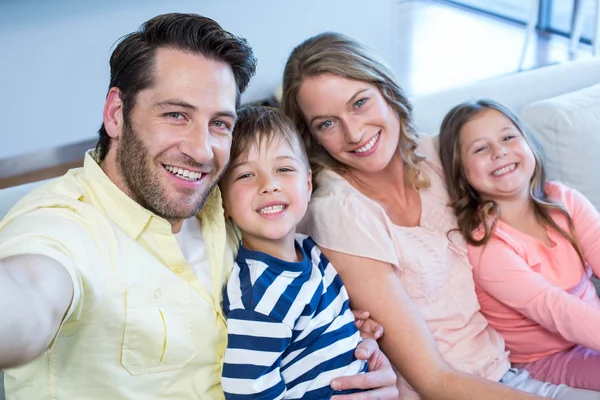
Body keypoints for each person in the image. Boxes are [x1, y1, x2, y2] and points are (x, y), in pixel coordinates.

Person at [0, 15, 396, 399]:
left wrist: (354, 356)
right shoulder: (66, 225)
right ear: (117, 114)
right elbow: (30, 293)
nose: (201, 149)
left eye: (220, 123)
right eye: (176, 115)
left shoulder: (226, 203)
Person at [280, 31, 600, 400]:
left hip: (525, 361)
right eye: (327, 123)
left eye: (360, 103)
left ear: (387, 92)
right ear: (313, 136)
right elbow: (433, 379)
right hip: (471, 387)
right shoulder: (340, 212)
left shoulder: (439, 155)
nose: (354, 133)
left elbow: (535, 214)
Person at [438, 99, 600, 390]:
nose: (499, 151)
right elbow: (556, 309)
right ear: (461, 172)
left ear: (529, 144)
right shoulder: (485, 245)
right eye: (480, 148)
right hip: (548, 357)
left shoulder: (566, 200)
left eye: (508, 137)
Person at [219, 105, 374, 399]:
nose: (269, 185)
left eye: (284, 169)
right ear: (223, 202)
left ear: (307, 182)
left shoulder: (311, 251)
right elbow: (249, 393)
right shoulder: (257, 298)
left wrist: (354, 329)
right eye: (246, 175)